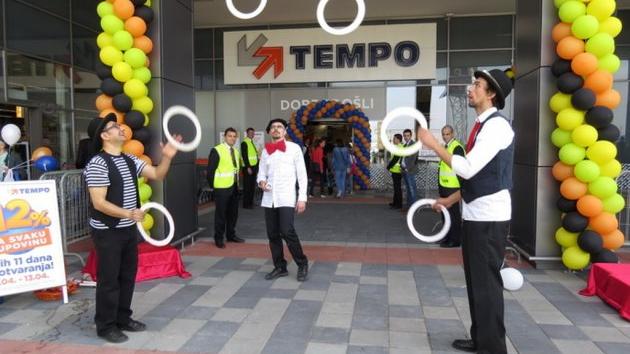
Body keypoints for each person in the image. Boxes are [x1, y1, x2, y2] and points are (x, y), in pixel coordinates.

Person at [418, 69, 514, 354]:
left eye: (477, 85)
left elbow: (468, 168)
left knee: (487, 285)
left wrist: (435, 144)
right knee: (476, 283)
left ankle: (493, 347)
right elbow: (476, 176)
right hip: (476, 215)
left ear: (491, 93)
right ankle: (481, 337)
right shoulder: (482, 126)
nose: (470, 89)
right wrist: (450, 201)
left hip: (489, 218)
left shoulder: (497, 127)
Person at [84, 114, 181, 343]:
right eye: (114, 126)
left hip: (128, 229)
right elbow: (99, 202)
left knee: (127, 276)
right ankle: (105, 325)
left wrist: (167, 157)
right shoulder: (97, 163)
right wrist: (129, 213)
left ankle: (122, 319)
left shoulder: (129, 159)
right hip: (107, 231)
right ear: (105, 135)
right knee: (109, 279)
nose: (120, 128)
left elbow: (157, 174)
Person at [257, 118, 309, 282]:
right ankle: (280, 267)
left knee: (287, 231)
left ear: (285, 131)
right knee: (272, 234)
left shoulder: (294, 149)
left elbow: (302, 175)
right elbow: (261, 173)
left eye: (280, 127)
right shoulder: (266, 151)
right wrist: (261, 182)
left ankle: (302, 263)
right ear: (269, 132)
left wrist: (302, 198)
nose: (276, 129)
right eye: (273, 127)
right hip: (269, 198)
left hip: (286, 197)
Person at [207, 128, 245, 248]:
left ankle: (231, 235)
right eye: (230, 136)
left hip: (234, 187)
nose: (232, 138)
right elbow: (210, 172)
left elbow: (236, 170)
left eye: (234, 136)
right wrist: (214, 187)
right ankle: (218, 238)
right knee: (221, 215)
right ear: (225, 137)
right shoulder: (217, 150)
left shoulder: (235, 151)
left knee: (233, 214)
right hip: (221, 188)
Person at [438, 125, 465, 248]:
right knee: (445, 213)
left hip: (453, 187)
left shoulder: (457, 147)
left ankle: (455, 240)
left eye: (447, 134)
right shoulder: (446, 147)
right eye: (443, 134)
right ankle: (447, 236)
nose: (445, 136)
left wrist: (462, 189)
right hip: (444, 185)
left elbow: (461, 169)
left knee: (453, 215)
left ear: (452, 134)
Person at [240, 127, 259, 209]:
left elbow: (254, 155)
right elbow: (244, 156)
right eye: (250, 133)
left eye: (253, 133)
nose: (252, 134)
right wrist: (248, 167)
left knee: (252, 186)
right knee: (247, 187)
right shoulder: (244, 143)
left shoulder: (251, 142)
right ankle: (246, 204)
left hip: (253, 167)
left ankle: (250, 203)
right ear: (247, 133)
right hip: (248, 168)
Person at [400, 129, 418, 209]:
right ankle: (409, 207)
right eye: (405, 136)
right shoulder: (404, 145)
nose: (406, 137)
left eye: (408, 135)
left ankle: (414, 208)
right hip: (404, 169)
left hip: (409, 170)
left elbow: (413, 158)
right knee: (408, 189)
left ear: (411, 136)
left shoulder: (413, 145)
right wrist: (402, 166)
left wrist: (407, 168)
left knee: (412, 189)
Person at [386, 134, 403, 209]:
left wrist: (388, 167)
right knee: (396, 187)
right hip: (395, 170)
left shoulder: (399, 147)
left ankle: (398, 204)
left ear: (398, 139)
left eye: (394, 138)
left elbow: (395, 159)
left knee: (397, 188)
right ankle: (395, 202)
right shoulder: (398, 147)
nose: (393, 140)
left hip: (397, 170)